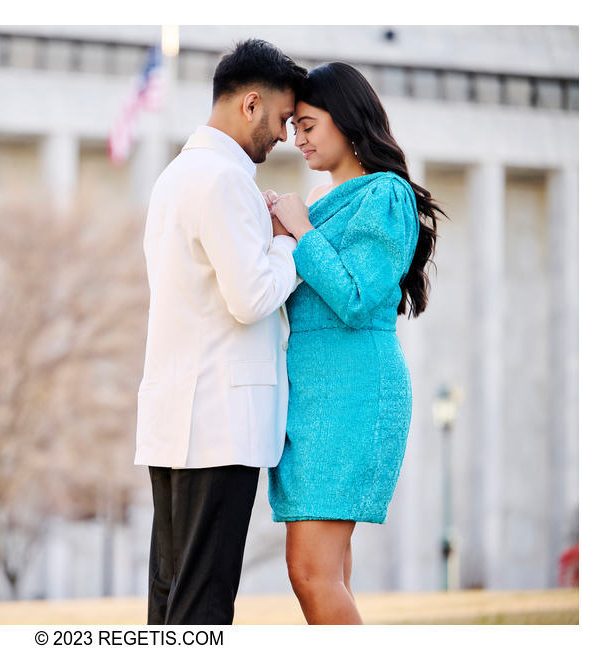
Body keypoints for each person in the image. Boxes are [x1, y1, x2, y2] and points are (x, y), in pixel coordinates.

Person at [134, 39, 307, 625]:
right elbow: (252, 296)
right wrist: (288, 240)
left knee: (172, 595)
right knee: (204, 603)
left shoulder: (175, 177)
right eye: (283, 118)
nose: (285, 134)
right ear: (251, 105)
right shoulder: (224, 179)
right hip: (220, 423)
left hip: (178, 418)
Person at [267, 61, 445, 624]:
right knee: (326, 573)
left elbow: (354, 296)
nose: (298, 139)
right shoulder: (323, 199)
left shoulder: (386, 195)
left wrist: (301, 230)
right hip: (315, 395)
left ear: (346, 121)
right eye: (294, 126)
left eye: (309, 125)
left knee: (310, 572)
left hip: (353, 393)